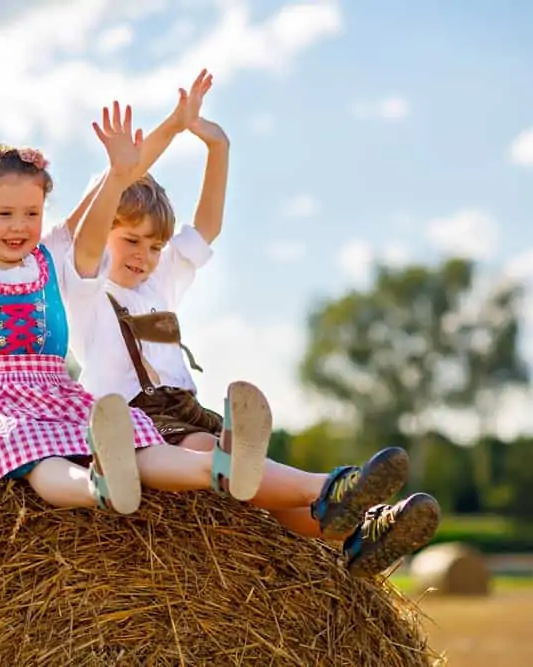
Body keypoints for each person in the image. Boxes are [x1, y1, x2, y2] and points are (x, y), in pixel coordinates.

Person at [0, 30, 279, 517]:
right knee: (38, 457)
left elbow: (121, 175)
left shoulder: (52, 255)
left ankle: (218, 466)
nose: (20, 226)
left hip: (58, 390)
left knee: (139, 438)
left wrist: (173, 126)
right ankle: (98, 488)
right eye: (4, 214)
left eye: (31, 212)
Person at [66, 74, 441, 577]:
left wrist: (216, 145)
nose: (145, 256)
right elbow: (94, 222)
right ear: (106, 230)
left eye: (155, 247)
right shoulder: (87, 287)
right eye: (131, 241)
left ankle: (356, 533)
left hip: (186, 410)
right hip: (138, 422)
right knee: (216, 458)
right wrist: (141, 154)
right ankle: (338, 487)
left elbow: (207, 227)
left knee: (260, 491)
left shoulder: (160, 284)